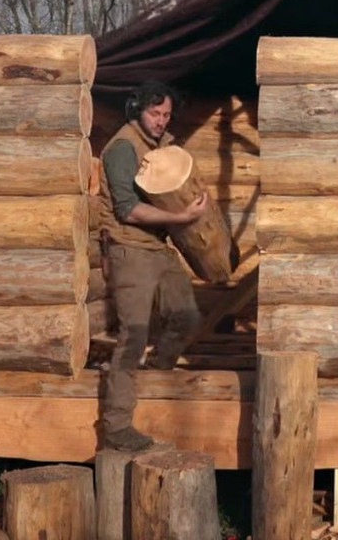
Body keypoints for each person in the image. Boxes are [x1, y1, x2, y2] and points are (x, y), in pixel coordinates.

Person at [95, 81, 207, 451]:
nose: (160, 121)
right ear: (136, 110)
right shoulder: (123, 149)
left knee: (187, 316)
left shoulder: (159, 145)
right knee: (133, 336)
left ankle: (156, 376)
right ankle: (117, 426)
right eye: (154, 114)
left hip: (159, 246)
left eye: (165, 115)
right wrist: (178, 217)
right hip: (130, 249)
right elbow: (127, 209)